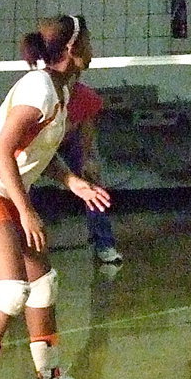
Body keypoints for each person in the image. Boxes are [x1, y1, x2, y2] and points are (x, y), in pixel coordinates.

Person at [0, 14, 109, 379]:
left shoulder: (61, 91)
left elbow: (38, 150)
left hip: (8, 192)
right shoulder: (38, 89)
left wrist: (72, 181)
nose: (92, 49)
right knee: (12, 290)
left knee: (43, 285)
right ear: (71, 49)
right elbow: (2, 151)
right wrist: (25, 212)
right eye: (88, 42)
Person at [60, 80, 122, 265]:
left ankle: (105, 244)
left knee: (93, 187)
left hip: (70, 143)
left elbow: (86, 128)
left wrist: (86, 159)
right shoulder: (40, 93)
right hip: (40, 143)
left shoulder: (85, 96)